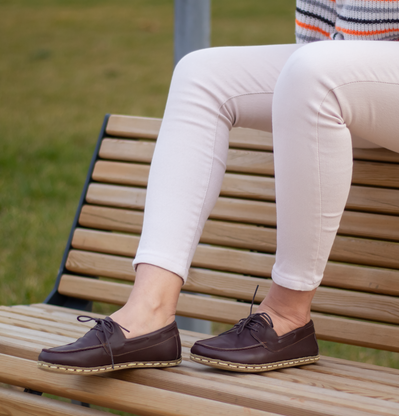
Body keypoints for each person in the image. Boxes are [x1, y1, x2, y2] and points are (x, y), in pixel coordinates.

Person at [37, 0, 399, 374]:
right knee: (201, 73)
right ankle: (149, 313)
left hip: (344, 64)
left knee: (315, 73)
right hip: (348, 56)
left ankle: (288, 314)